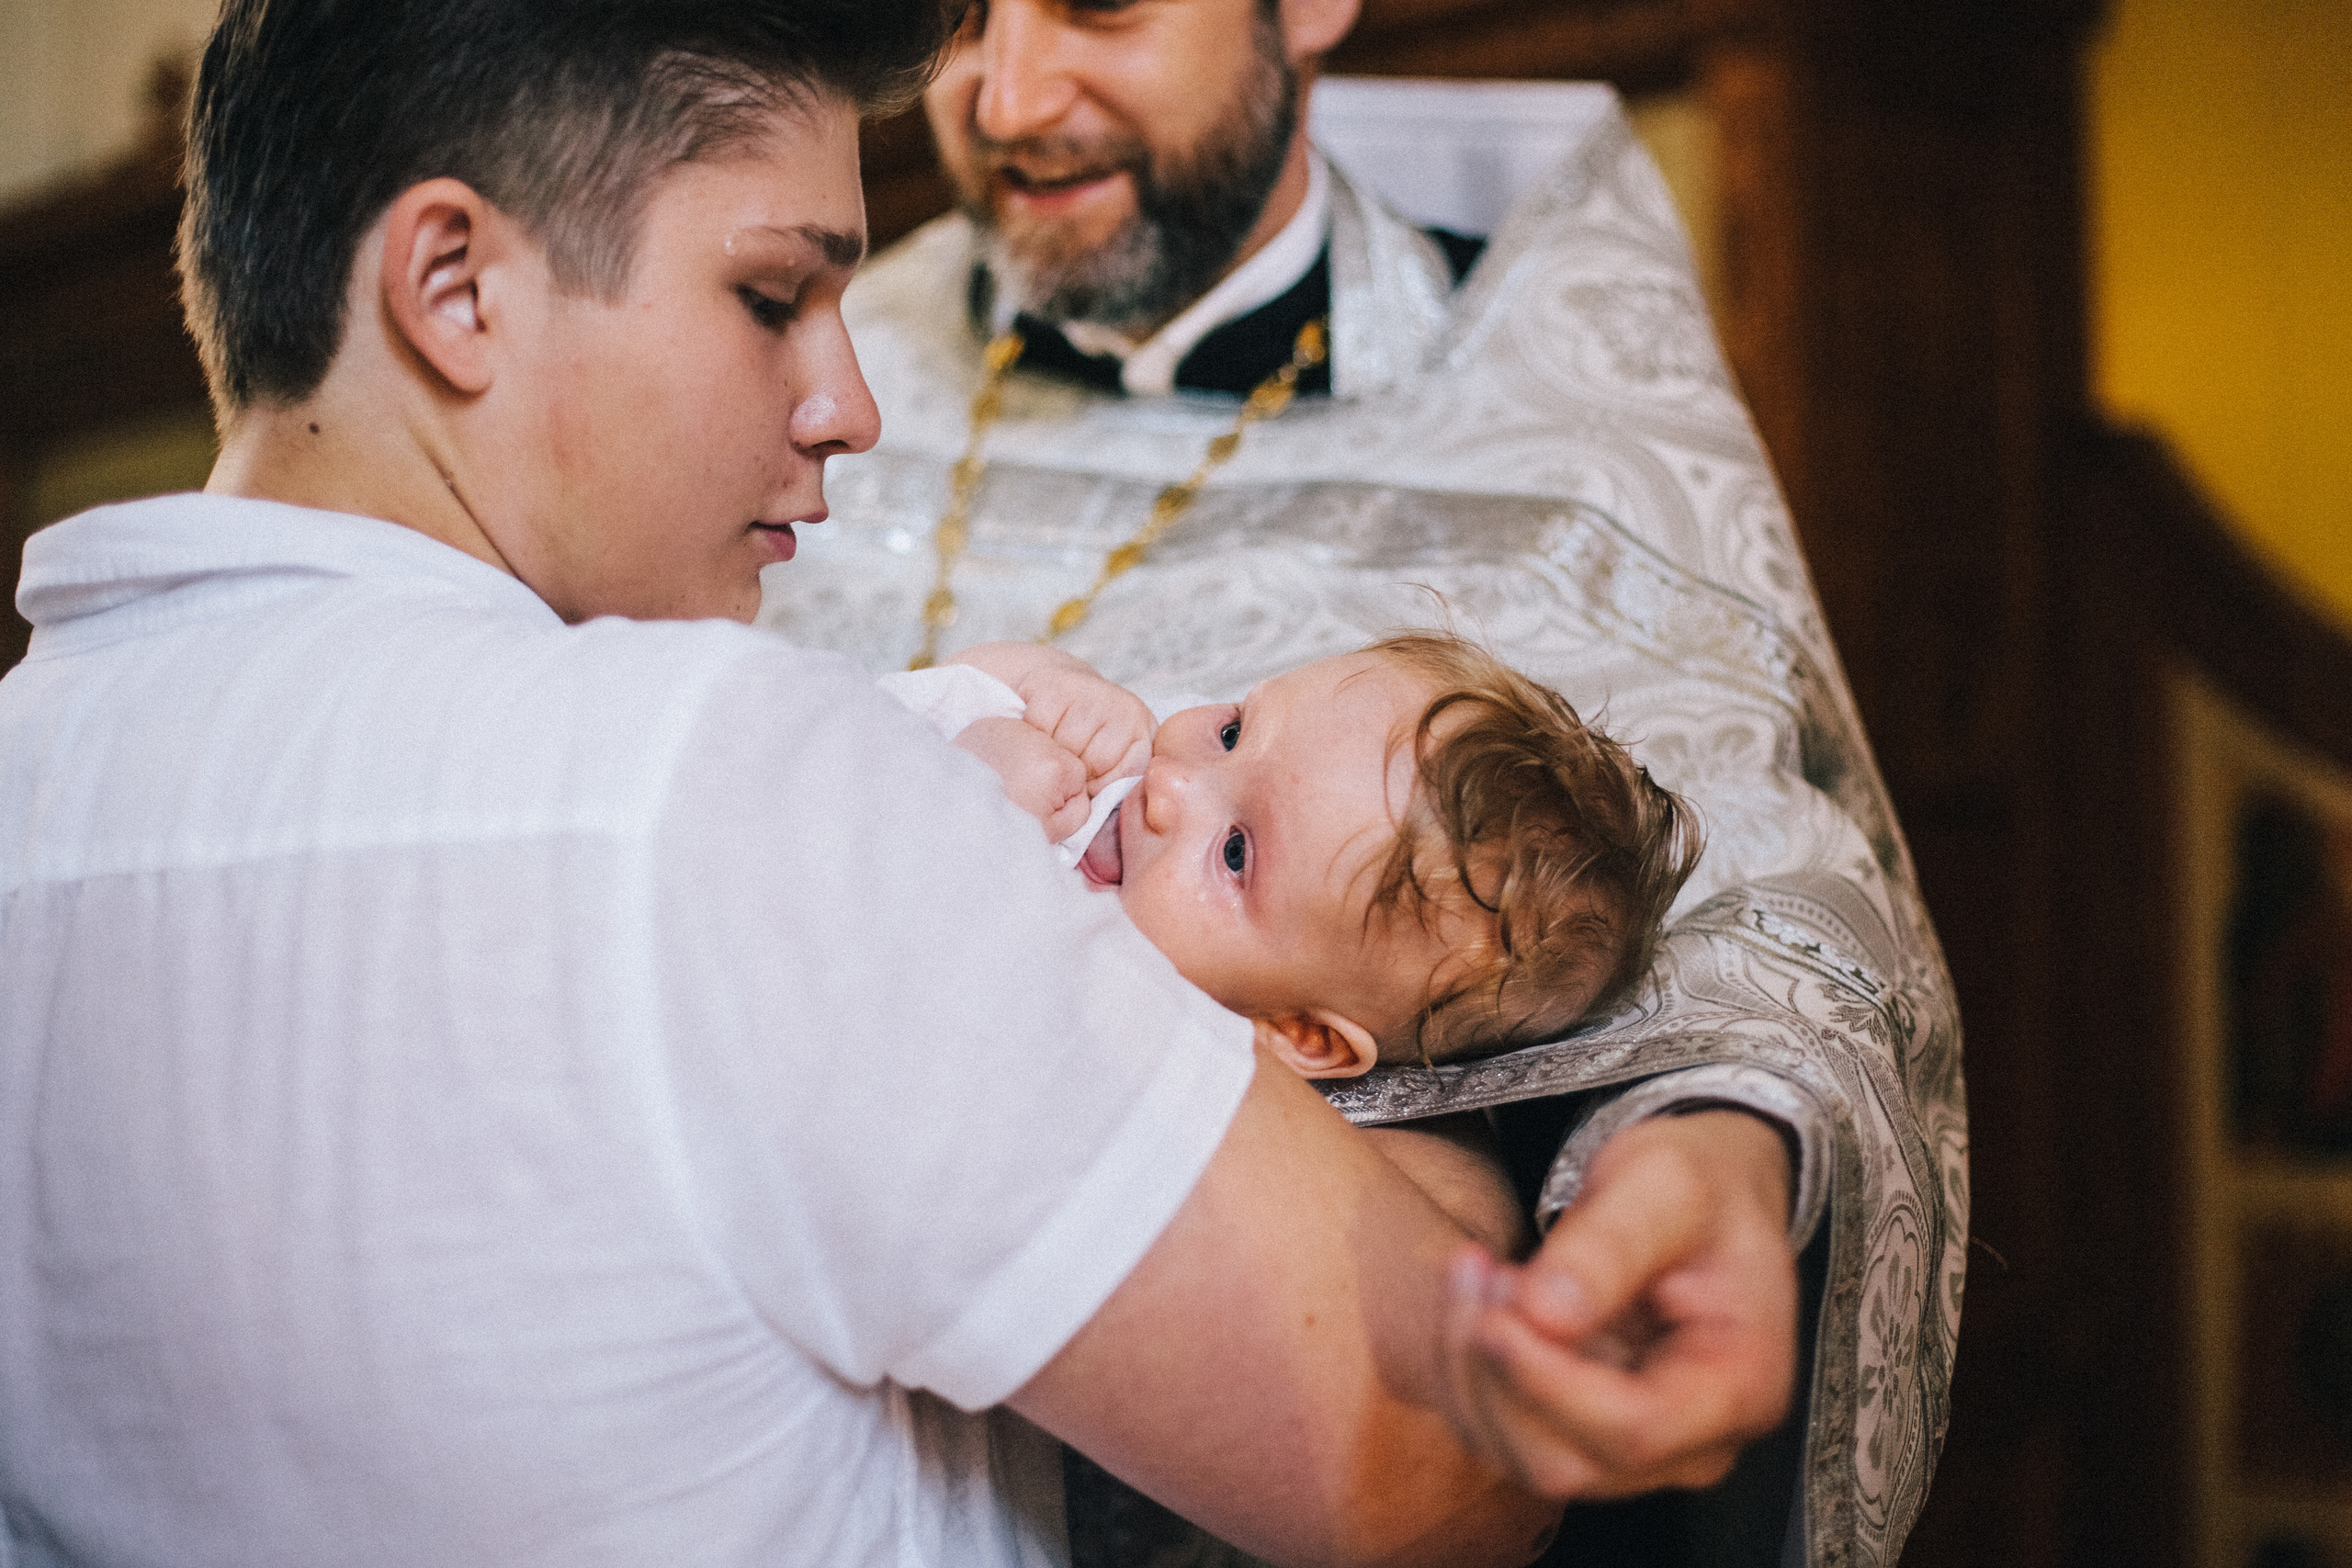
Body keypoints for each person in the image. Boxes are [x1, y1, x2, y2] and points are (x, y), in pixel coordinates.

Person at [0, 3, 1801, 1564]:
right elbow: (1426, 1461)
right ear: (452, 285)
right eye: (768, 293)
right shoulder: (718, 780)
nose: (855, 404)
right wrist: (1462, 1196)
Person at [752, 1, 1970, 1563]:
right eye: (967, 15)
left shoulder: (1559, 388)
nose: (1006, 96)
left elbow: (1750, 863)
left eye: (1098, 7)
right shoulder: (825, 341)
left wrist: (1697, 1149)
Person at [899, 634, 1703, 1089]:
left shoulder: (1122, 1044)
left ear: (1297, 1033)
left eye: (1237, 852)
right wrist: (1051, 683)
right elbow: (943, 679)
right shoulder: (1118, 767)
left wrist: (952, 802)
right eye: (1233, 730)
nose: (1170, 785)